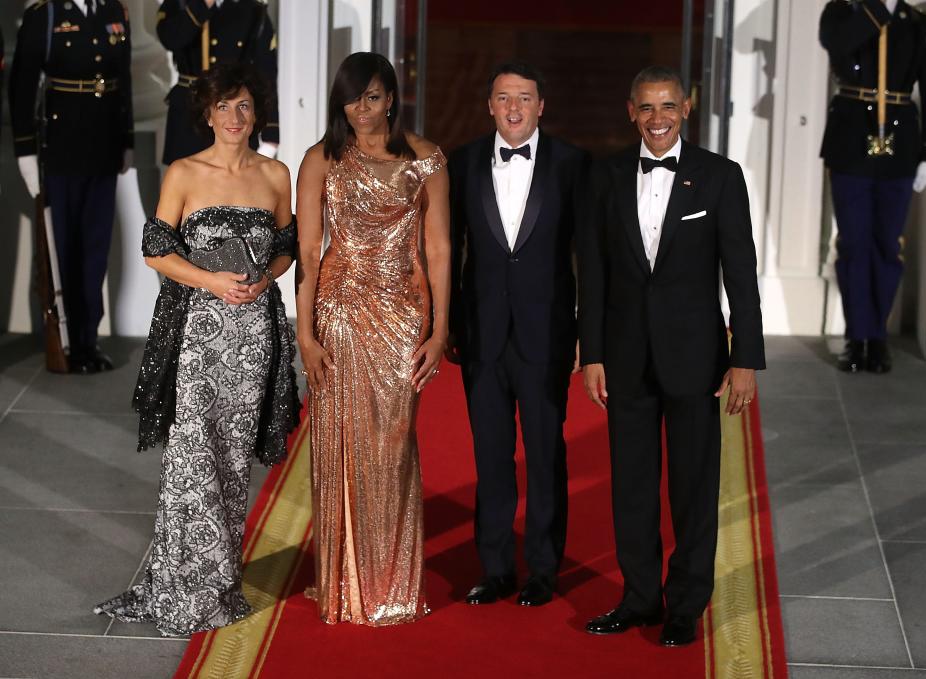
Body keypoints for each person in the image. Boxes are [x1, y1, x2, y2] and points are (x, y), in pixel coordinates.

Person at [93, 63, 299, 637]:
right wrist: (210, 281)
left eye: (243, 107)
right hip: (197, 335)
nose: (234, 118)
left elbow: (288, 246)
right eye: (223, 107)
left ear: (256, 113)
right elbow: (155, 249)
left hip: (254, 336)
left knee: (232, 463)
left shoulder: (277, 175)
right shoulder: (185, 172)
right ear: (206, 114)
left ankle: (219, 581)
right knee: (191, 458)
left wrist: (266, 279)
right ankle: (183, 585)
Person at [577, 66, 765, 646]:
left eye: (668, 106)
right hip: (626, 359)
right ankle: (639, 599)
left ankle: (685, 604)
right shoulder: (604, 175)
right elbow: (594, 271)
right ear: (630, 111)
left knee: (692, 488)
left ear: (686, 108)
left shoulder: (720, 176)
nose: (657, 118)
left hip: (696, 358)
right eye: (646, 108)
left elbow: (741, 271)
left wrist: (745, 360)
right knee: (631, 485)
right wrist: (593, 353)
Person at [295, 52, 449, 625]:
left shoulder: (426, 160)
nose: (363, 108)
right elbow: (309, 253)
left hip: (403, 315)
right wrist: (304, 333)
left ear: (392, 98)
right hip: (337, 313)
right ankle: (344, 584)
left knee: (393, 443)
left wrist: (441, 327)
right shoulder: (321, 160)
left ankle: (391, 583)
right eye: (353, 97)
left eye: (375, 96)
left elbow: (439, 249)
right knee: (341, 444)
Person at [447, 61, 588, 607]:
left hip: (547, 334)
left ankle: (545, 571)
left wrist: (586, 333)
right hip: (481, 334)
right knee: (491, 457)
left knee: (547, 455)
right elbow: (446, 251)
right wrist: (450, 324)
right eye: (504, 98)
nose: (513, 108)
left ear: (541, 106)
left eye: (524, 98)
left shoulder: (573, 164)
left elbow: (589, 259)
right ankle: (497, 567)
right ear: (489, 105)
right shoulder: (461, 163)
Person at [8, 0, 134, 373]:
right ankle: (62, 337)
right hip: (61, 149)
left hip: (103, 145)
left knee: (95, 248)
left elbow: (122, 77)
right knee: (62, 248)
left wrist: (125, 138)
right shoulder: (44, 14)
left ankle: (87, 339)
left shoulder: (114, 11)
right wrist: (25, 152)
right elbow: (22, 85)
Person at [819, 0, 926, 373]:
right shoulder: (841, 12)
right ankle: (856, 338)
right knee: (855, 243)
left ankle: (877, 338)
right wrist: (879, 8)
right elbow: (839, 44)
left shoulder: (921, 24)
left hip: (900, 145)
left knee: (887, 246)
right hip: (851, 143)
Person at [157, 0, 279, 164]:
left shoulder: (253, 9)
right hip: (188, 117)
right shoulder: (179, 4)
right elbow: (170, 38)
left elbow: (266, 75)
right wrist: (203, 5)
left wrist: (270, 134)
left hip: (234, 117)